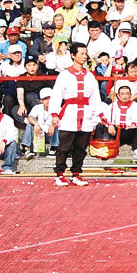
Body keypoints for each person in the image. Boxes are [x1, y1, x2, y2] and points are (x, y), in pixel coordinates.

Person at [49, 54, 101, 187]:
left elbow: (95, 97)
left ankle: (76, 174)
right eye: (81, 54)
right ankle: (59, 174)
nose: (84, 57)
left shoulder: (90, 76)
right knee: (64, 147)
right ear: (73, 55)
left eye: (85, 54)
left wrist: (100, 114)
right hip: (69, 113)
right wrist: (55, 114)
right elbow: (56, 95)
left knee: (81, 147)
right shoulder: (64, 75)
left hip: (86, 114)